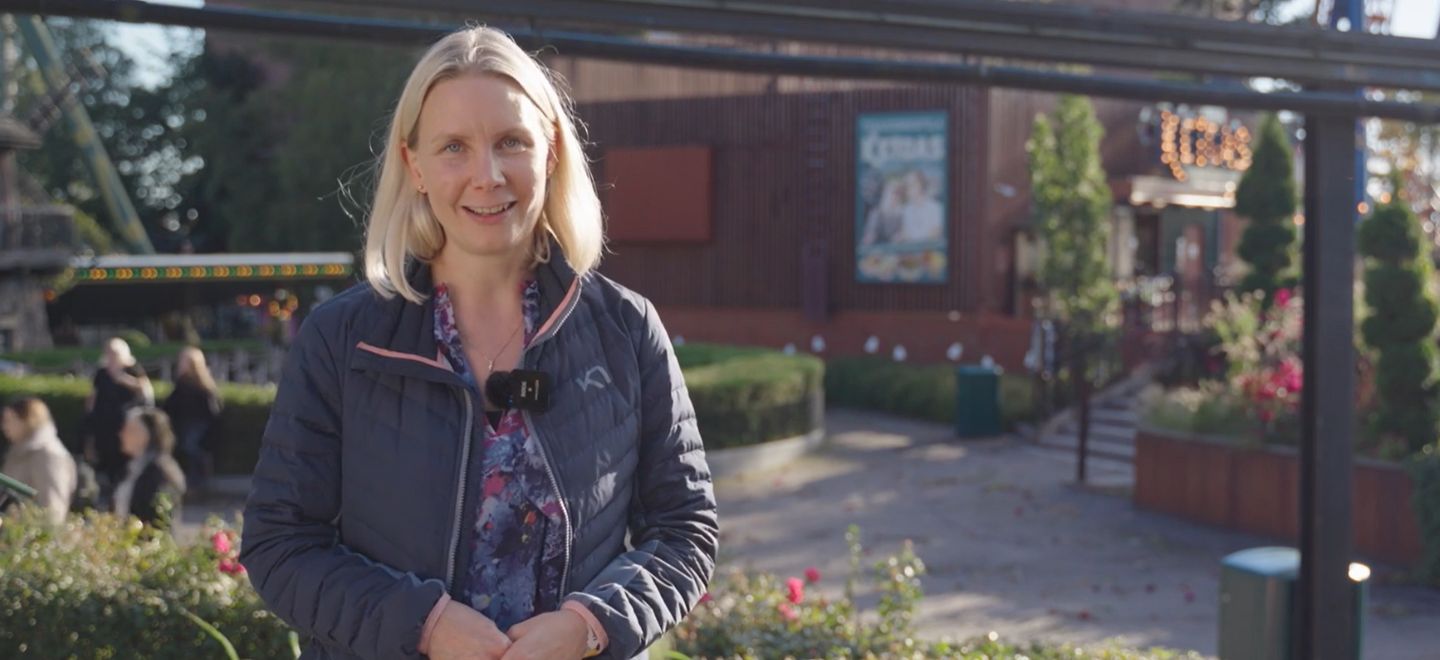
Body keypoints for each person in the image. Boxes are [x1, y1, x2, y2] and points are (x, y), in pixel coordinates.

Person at [241, 26, 718, 660]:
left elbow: (685, 531)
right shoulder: (342, 340)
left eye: (511, 142)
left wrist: (591, 625)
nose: (486, 176)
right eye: (453, 147)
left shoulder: (627, 330)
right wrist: (425, 624)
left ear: (551, 150)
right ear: (414, 165)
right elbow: (280, 545)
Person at [84, 337, 153, 492]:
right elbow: (94, 395)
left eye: (114, 353)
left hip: (124, 420)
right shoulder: (102, 372)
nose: (111, 356)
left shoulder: (132, 369)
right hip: (104, 420)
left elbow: (145, 389)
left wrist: (123, 379)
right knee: (105, 451)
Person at [0, 397, 77, 525]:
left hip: (30, 533)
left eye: (9, 420)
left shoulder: (49, 455)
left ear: (28, 420)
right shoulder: (18, 451)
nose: (4, 426)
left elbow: (53, 508)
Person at [113, 407, 186, 529]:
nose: (121, 434)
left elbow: (159, 519)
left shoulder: (161, 472)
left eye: (129, 430)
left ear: (144, 436)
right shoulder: (132, 468)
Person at [163, 346, 223, 491]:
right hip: (184, 424)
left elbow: (211, 409)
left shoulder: (202, 384)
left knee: (192, 447)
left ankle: (199, 479)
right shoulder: (181, 382)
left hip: (198, 424)